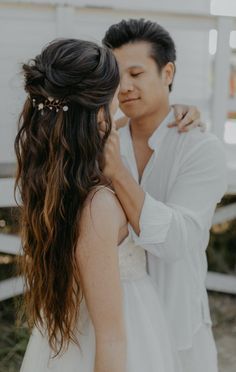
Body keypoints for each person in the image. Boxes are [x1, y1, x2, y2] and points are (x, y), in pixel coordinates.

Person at [17, 38, 190, 372]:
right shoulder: (98, 206)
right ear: (97, 113)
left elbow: (122, 122)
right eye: (115, 88)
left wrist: (180, 110)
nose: (122, 94)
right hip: (116, 347)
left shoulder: (52, 179)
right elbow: (110, 337)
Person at [101, 19, 227, 372]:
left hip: (178, 328)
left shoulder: (201, 149)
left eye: (136, 73)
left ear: (167, 71)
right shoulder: (104, 140)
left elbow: (176, 241)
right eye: (115, 76)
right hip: (112, 327)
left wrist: (117, 172)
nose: (124, 87)